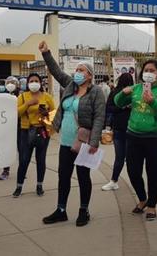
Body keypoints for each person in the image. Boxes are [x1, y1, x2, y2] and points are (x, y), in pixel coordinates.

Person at [39, 41, 105, 227]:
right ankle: (61, 210)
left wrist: (94, 142)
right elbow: (55, 71)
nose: (77, 72)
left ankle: (84, 210)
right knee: (63, 176)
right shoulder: (70, 85)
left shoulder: (96, 92)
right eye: (76, 69)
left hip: (83, 143)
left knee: (83, 177)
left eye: (82, 70)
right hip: (66, 141)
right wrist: (46, 53)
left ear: (90, 75)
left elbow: (99, 118)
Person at [114, 60, 157, 221]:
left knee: (153, 172)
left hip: (155, 138)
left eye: (152, 70)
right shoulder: (137, 88)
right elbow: (117, 103)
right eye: (146, 70)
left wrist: (153, 102)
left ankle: (152, 205)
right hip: (134, 136)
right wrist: (123, 93)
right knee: (133, 171)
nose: (148, 73)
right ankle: (142, 199)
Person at [13, 73, 55, 198]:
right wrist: (28, 104)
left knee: (41, 160)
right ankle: (19, 186)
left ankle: (39, 185)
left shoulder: (47, 96)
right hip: (26, 131)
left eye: (36, 80)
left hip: (42, 131)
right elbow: (16, 113)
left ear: (41, 83)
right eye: (31, 81)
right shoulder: (23, 96)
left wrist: (46, 113)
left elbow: (54, 114)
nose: (34, 83)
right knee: (24, 160)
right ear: (27, 83)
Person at [102, 73, 134, 191]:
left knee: (119, 157)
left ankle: (114, 181)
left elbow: (109, 108)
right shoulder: (131, 92)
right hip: (132, 129)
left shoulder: (115, 91)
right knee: (131, 159)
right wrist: (124, 107)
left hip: (119, 128)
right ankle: (134, 182)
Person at [0, 76, 21, 181]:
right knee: (6, 150)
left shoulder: (21, 96)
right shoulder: (3, 96)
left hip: (19, 127)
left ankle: (22, 170)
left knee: (22, 150)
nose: (11, 85)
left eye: (13, 83)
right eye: (9, 83)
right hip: (7, 128)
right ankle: (5, 170)